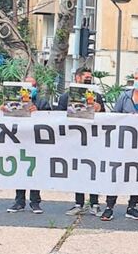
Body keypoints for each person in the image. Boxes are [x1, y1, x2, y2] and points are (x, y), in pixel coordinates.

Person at [100, 67, 138, 221]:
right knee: (117, 174)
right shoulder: (124, 97)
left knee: (137, 175)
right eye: (136, 78)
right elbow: (114, 117)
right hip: (123, 143)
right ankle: (109, 207)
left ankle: (132, 206)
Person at [58, 68, 105, 217]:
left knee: (93, 171)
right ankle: (78, 203)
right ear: (77, 78)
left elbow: (105, 118)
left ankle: (94, 203)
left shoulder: (97, 97)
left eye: (90, 78)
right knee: (78, 172)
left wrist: (100, 109)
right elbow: (57, 117)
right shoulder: (66, 97)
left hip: (93, 140)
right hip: (74, 141)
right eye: (86, 77)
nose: (88, 80)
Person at [3, 76, 51, 214]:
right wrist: (2, 110)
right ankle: (19, 201)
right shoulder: (13, 102)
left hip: (36, 143)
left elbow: (51, 118)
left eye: (33, 85)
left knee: (34, 172)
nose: (31, 89)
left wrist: (39, 113)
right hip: (19, 142)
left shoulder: (42, 102)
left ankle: (35, 202)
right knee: (20, 171)